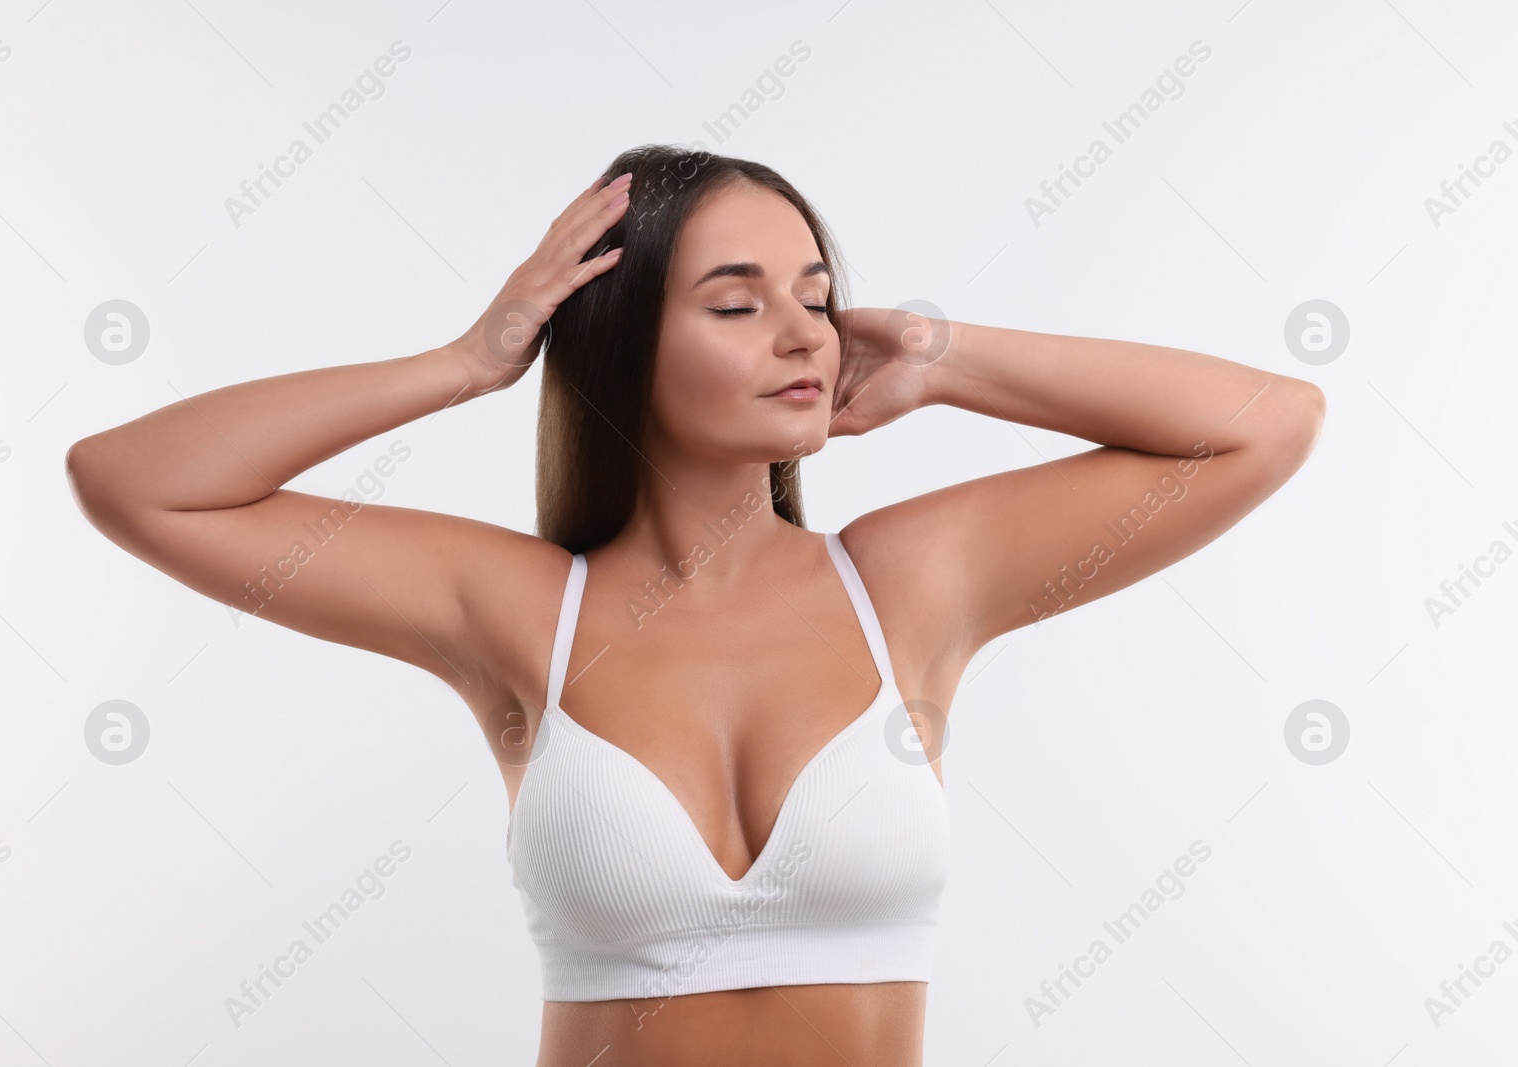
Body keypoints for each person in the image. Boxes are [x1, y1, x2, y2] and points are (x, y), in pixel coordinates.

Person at [65, 144, 1325, 1065]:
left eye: (817, 298)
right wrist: (464, 361)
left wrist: (950, 357)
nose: (803, 334)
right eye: (737, 302)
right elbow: (139, 484)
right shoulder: (515, 606)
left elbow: (1266, 427)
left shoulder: (905, 580)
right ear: (619, 339)